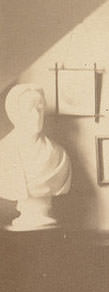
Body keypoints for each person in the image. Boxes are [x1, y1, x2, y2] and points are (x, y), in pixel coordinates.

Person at [0, 84, 71, 230]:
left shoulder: (59, 155)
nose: (36, 115)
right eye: (29, 109)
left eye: (40, 108)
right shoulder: (3, 152)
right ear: (15, 113)